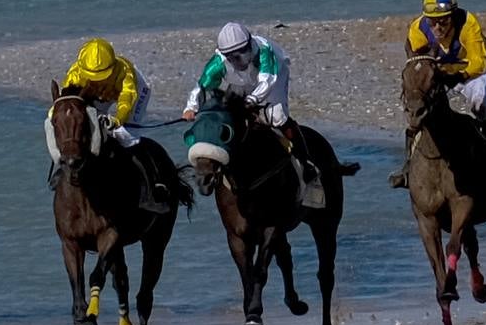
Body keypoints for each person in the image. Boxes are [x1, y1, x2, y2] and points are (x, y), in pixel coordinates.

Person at [391, 0, 486, 190]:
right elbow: (416, 62)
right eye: (432, 21)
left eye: (444, 21)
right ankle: (407, 168)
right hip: (438, 74)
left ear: (453, 15)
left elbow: (480, 62)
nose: (437, 27)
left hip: (468, 72)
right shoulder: (417, 29)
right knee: (419, 110)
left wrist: (458, 75)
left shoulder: (468, 23)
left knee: (480, 106)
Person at [182, 22, 318, 185]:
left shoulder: (264, 52)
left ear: (249, 45)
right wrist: (191, 108)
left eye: (240, 54)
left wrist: (251, 101)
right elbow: (202, 86)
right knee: (229, 113)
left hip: (273, 76)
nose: (237, 60)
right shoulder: (218, 63)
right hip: (241, 81)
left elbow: (267, 81)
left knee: (276, 117)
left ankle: (305, 161)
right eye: (231, 57)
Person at [56, 38, 167, 211]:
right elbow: (66, 104)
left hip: (132, 94)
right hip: (97, 96)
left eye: (101, 75)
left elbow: (126, 101)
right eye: (93, 76)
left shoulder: (125, 73)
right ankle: (61, 171)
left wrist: (117, 120)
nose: (97, 79)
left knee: (126, 137)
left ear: (112, 66)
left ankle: (150, 190)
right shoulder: (75, 75)